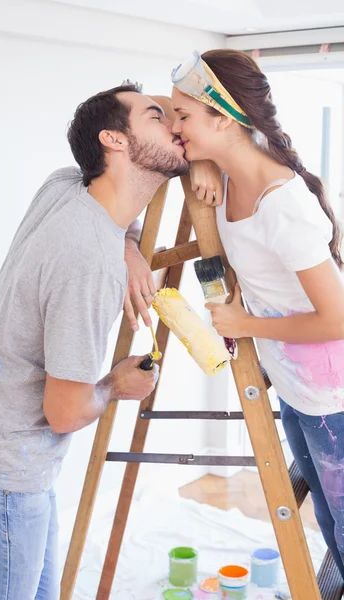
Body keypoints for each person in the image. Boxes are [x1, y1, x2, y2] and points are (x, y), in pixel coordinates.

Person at [0, 82, 192, 599]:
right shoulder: (87, 264)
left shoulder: (64, 187)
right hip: (4, 471)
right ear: (114, 140)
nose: (176, 124)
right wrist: (116, 384)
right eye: (156, 115)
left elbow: (107, 211)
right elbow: (65, 411)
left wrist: (128, 245)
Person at [167, 48, 344, 578]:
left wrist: (245, 326)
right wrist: (199, 156)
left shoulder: (281, 203)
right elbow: (158, 105)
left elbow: (338, 319)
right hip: (295, 387)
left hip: (330, 396)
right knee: (331, 524)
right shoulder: (225, 171)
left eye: (184, 118)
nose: (173, 127)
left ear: (223, 117)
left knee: (343, 527)